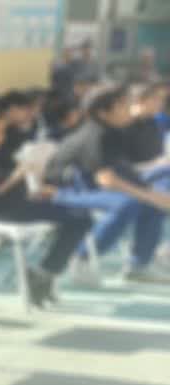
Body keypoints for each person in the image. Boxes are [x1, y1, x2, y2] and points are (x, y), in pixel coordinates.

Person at [0, 107, 93, 306]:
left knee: (80, 214)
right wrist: (15, 177)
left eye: (2, 131)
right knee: (79, 218)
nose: (1, 137)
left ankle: (45, 273)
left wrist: (32, 184)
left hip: (18, 204)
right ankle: (46, 272)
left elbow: (13, 182)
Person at [44, 84, 170, 285]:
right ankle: (81, 257)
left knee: (152, 204)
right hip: (64, 192)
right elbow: (108, 180)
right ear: (103, 113)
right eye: (123, 105)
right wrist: (151, 196)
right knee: (129, 203)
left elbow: (125, 173)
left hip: (94, 188)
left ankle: (138, 266)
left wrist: (154, 195)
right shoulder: (97, 135)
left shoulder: (114, 131)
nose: (129, 109)